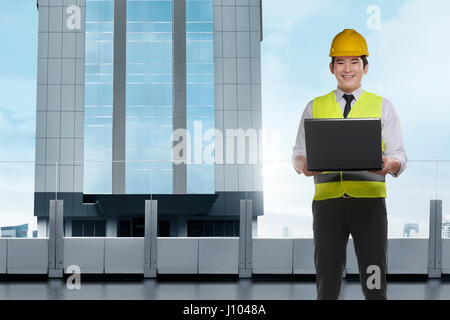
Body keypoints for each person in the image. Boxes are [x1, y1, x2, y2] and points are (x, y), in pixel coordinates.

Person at [291, 29, 407, 300]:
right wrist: (303, 165)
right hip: (327, 206)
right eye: (340, 62)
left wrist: (388, 163)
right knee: (327, 281)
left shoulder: (383, 107)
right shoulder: (313, 107)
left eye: (354, 62)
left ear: (365, 67)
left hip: (369, 207)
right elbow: (297, 153)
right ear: (331, 67)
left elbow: (400, 155)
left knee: (374, 278)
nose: (347, 69)